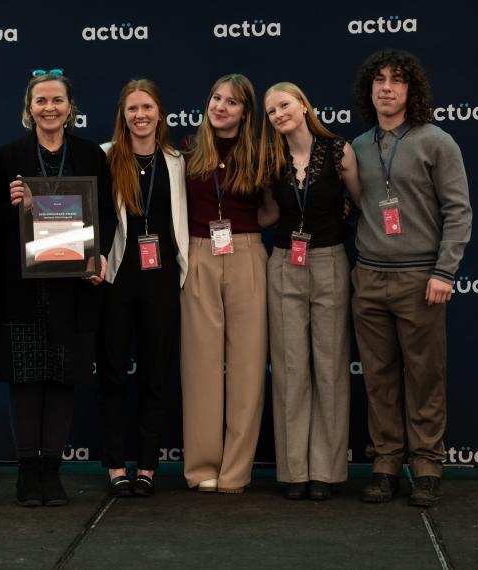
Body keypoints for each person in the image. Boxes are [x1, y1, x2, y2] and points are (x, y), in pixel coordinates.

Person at [351, 50, 472, 507]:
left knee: (424, 377)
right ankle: (385, 465)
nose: (386, 87)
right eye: (378, 80)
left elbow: (459, 211)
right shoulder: (358, 146)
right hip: (368, 278)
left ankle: (426, 467)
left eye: (396, 81)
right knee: (378, 379)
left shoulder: (436, 141)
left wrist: (445, 270)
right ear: (369, 89)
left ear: (410, 89)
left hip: (421, 279)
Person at [0, 70, 113, 507]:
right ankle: (27, 474)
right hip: (23, 291)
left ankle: (51, 472)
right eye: (41, 100)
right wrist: (11, 204)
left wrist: (97, 258)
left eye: (57, 100)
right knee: (25, 381)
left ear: (70, 108)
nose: (49, 107)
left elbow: (109, 218)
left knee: (62, 381)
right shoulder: (7, 157)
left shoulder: (90, 156)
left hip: (73, 290)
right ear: (29, 108)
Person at [256, 82, 361, 501]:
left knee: (331, 367)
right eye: (270, 111)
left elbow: (360, 203)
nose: (278, 114)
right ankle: (294, 471)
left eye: (283, 105)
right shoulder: (270, 159)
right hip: (283, 263)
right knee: (290, 370)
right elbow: (270, 213)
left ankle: (326, 472)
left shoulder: (339, 151)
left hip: (330, 260)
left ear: (302, 104)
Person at [98, 79, 188, 497]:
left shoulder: (177, 161)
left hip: (162, 279)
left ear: (159, 113)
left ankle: (148, 467)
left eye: (147, 107)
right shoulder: (105, 157)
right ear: (123, 115)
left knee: (155, 375)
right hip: (116, 278)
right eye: (132, 108)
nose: (140, 115)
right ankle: (116, 465)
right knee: (113, 375)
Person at [180, 74, 265, 494]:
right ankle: (201, 468)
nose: (220, 107)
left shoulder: (263, 155)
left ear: (245, 112)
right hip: (198, 254)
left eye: (231, 102)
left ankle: (235, 473)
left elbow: (271, 211)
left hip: (247, 253)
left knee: (248, 367)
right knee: (200, 366)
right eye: (215, 98)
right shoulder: (186, 152)